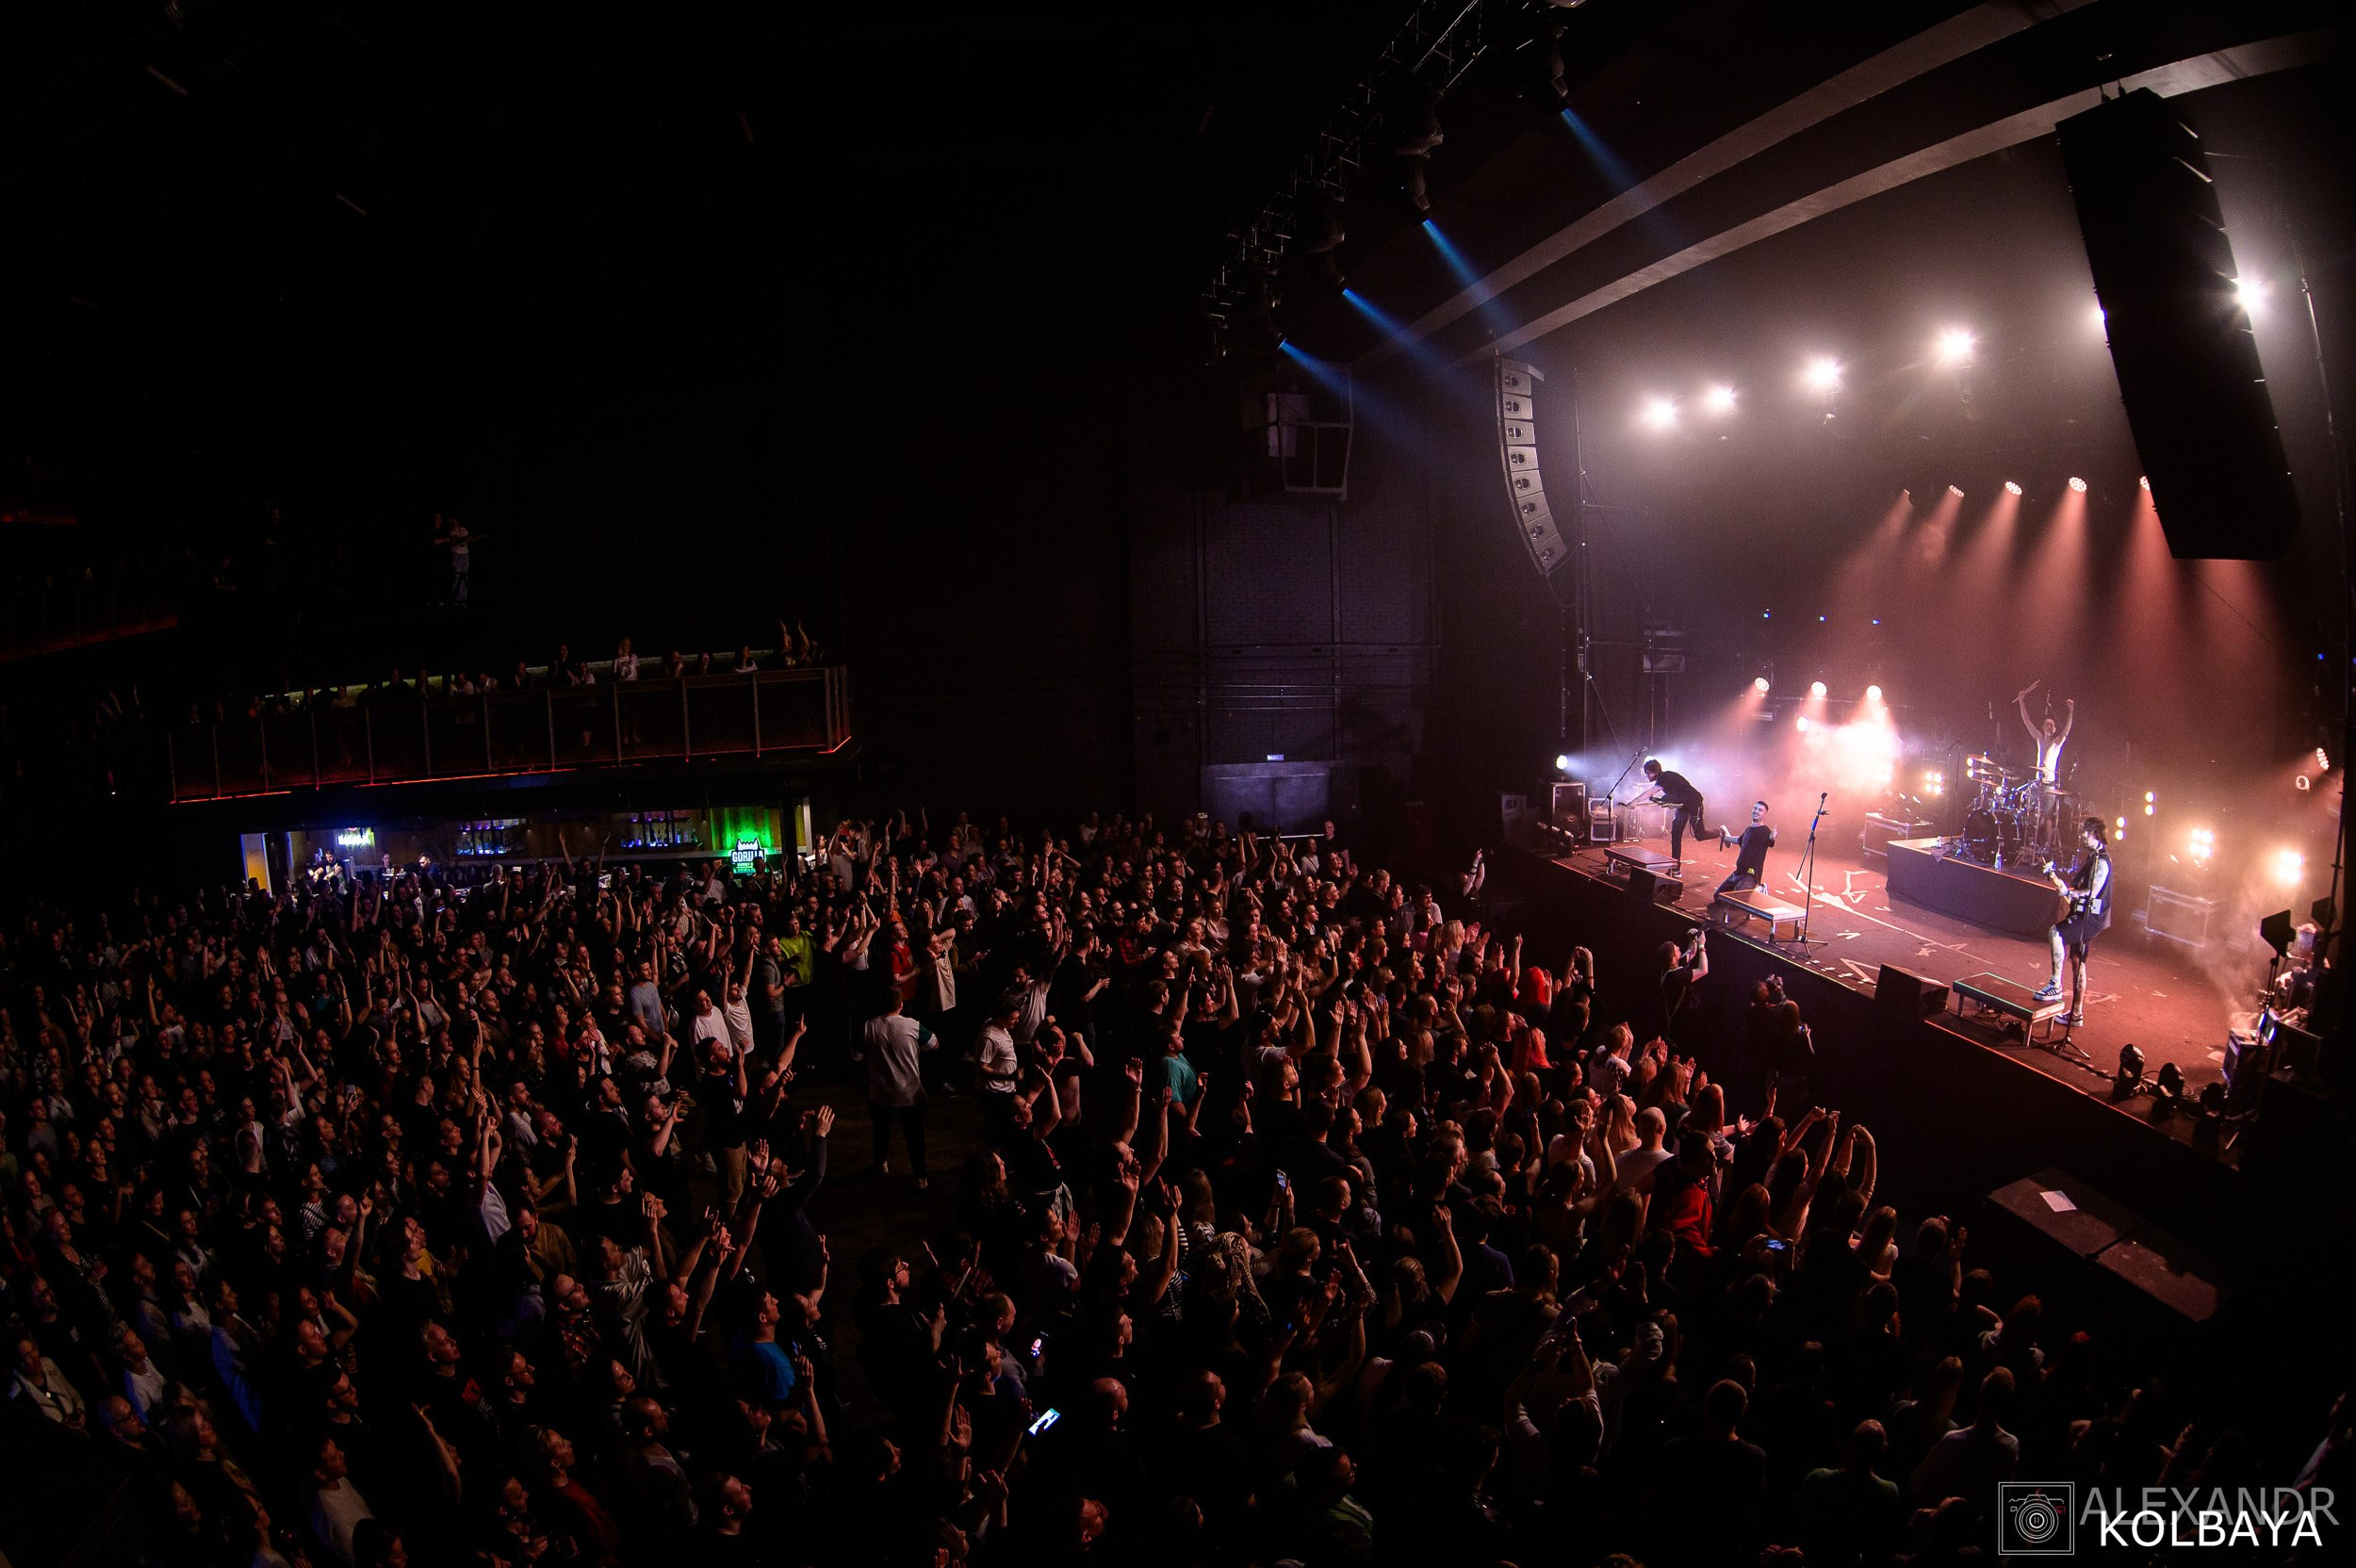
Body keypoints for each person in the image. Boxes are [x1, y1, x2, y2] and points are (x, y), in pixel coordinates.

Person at [2037, 816, 2112, 1025]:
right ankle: (2077, 1013)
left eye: (2085, 832)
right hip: (2084, 913)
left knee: (2056, 932)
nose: (2082, 835)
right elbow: (2074, 893)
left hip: (2090, 917)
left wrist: (2070, 892)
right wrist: (2055, 879)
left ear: (2095, 834)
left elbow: (2092, 893)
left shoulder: (2102, 861)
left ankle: (2055, 984)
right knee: (2078, 962)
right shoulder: (2092, 858)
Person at [1640, 759, 1708, 866]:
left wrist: (1635, 801)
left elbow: (1650, 792)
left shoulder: (1665, 778)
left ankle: (1720, 832)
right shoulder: (1664, 779)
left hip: (1694, 804)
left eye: (1648, 773)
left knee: (1700, 835)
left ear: (1655, 772)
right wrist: (1661, 800)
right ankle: (1676, 867)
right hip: (1683, 806)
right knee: (1675, 835)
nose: (1647, 776)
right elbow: (1673, 794)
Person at [1715, 800, 1776, 895]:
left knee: (1738, 902)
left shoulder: (1765, 831)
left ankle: (1759, 888)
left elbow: (1770, 839)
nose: (1756, 811)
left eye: (1760, 810)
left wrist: (1772, 837)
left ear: (1765, 815)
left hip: (1750, 875)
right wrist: (1725, 837)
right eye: (1755, 808)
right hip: (1738, 873)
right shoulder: (1749, 830)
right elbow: (1739, 840)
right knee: (1718, 896)